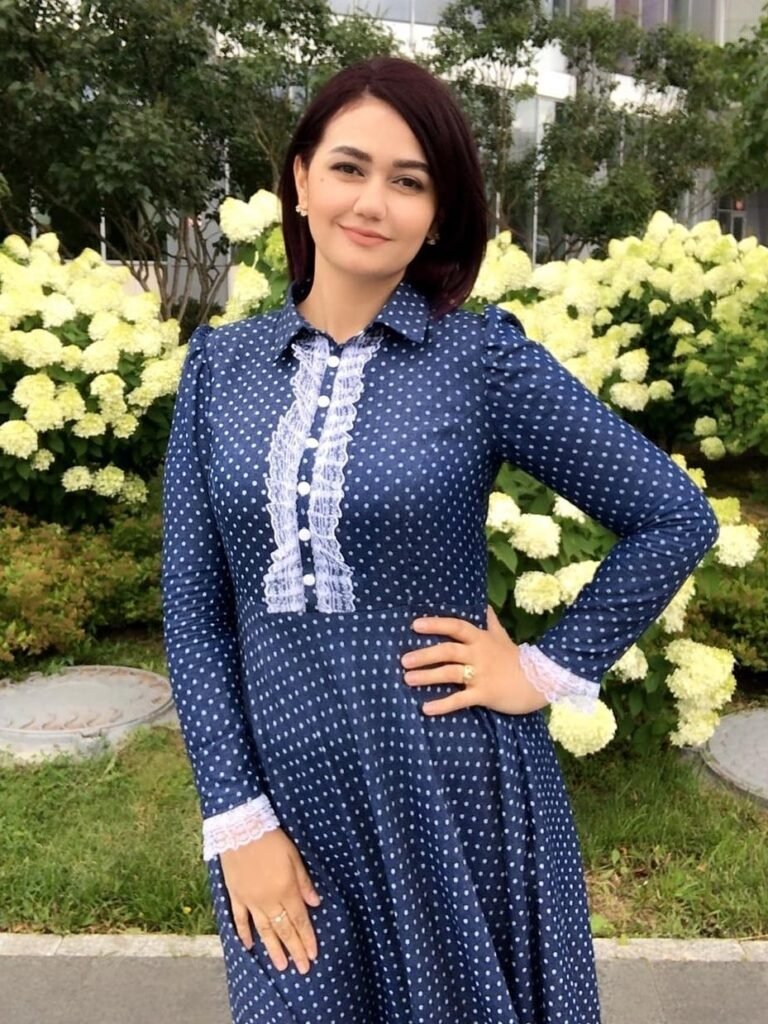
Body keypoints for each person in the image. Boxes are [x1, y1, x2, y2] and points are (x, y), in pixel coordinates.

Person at [161, 55, 719, 1024]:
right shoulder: (221, 368)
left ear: (441, 210)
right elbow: (195, 611)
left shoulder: (479, 359)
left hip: (451, 787)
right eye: (349, 166)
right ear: (299, 178)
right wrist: (236, 818)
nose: (373, 200)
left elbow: (674, 516)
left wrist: (544, 670)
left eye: (409, 180)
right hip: (282, 803)